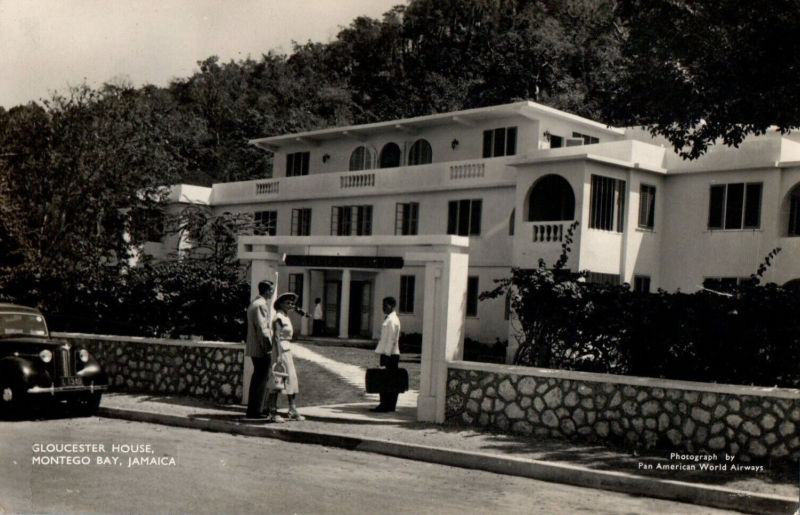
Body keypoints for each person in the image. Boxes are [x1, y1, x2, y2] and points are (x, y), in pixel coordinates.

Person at [265, 292, 304, 423]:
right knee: (277, 381)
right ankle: (272, 411)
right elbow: (276, 336)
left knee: (291, 380)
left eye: (292, 303)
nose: (290, 305)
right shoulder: (278, 317)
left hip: (287, 350)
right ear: (280, 304)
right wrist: (279, 356)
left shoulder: (286, 317)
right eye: (287, 303)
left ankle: (292, 409)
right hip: (280, 350)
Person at [245, 280, 274, 419]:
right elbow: (263, 330)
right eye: (271, 290)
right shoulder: (261, 305)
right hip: (260, 348)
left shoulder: (254, 304)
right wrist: (268, 348)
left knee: (258, 377)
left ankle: (254, 409)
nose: (272, 292)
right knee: (261, 378)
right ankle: (257, 410)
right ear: (267, 290)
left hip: (255, 347)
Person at [371, 296, 401, 412]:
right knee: (384, 379)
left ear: (392, 306)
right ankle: (385, 404)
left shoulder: (392, 320)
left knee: (388, 380)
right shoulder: (388, 319)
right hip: (387, 353)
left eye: (386, 305)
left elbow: (392, 340)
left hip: (390, 355)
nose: (383, 308)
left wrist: (387, 356)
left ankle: (388, 405)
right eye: (383, 305)